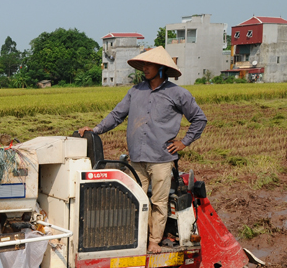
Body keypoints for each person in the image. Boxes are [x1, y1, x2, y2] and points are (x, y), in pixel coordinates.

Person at [78, 46, 207, 253]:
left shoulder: (177, 93)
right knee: (136, 201)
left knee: (158, 202)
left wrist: (184, 142)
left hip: (161, 158)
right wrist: (95, 130)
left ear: (161, 68)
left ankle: (154, 241)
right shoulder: (135, 91)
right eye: (144, 64)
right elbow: (116, 115)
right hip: (137, 157)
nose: (145, 68)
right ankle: (138, 239)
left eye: (150, 64)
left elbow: (199, 119)